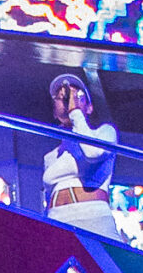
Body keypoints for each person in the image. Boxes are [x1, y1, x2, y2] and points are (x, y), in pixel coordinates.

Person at [42, 73, 120, 237]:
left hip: (93, 218)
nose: (67, 100)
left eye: (77, 95)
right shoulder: (51, 156)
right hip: (57, 219)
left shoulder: (105, 132)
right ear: (54, 112)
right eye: (60, 97)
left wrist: (75, 112)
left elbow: (93, 153)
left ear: (89, 107)